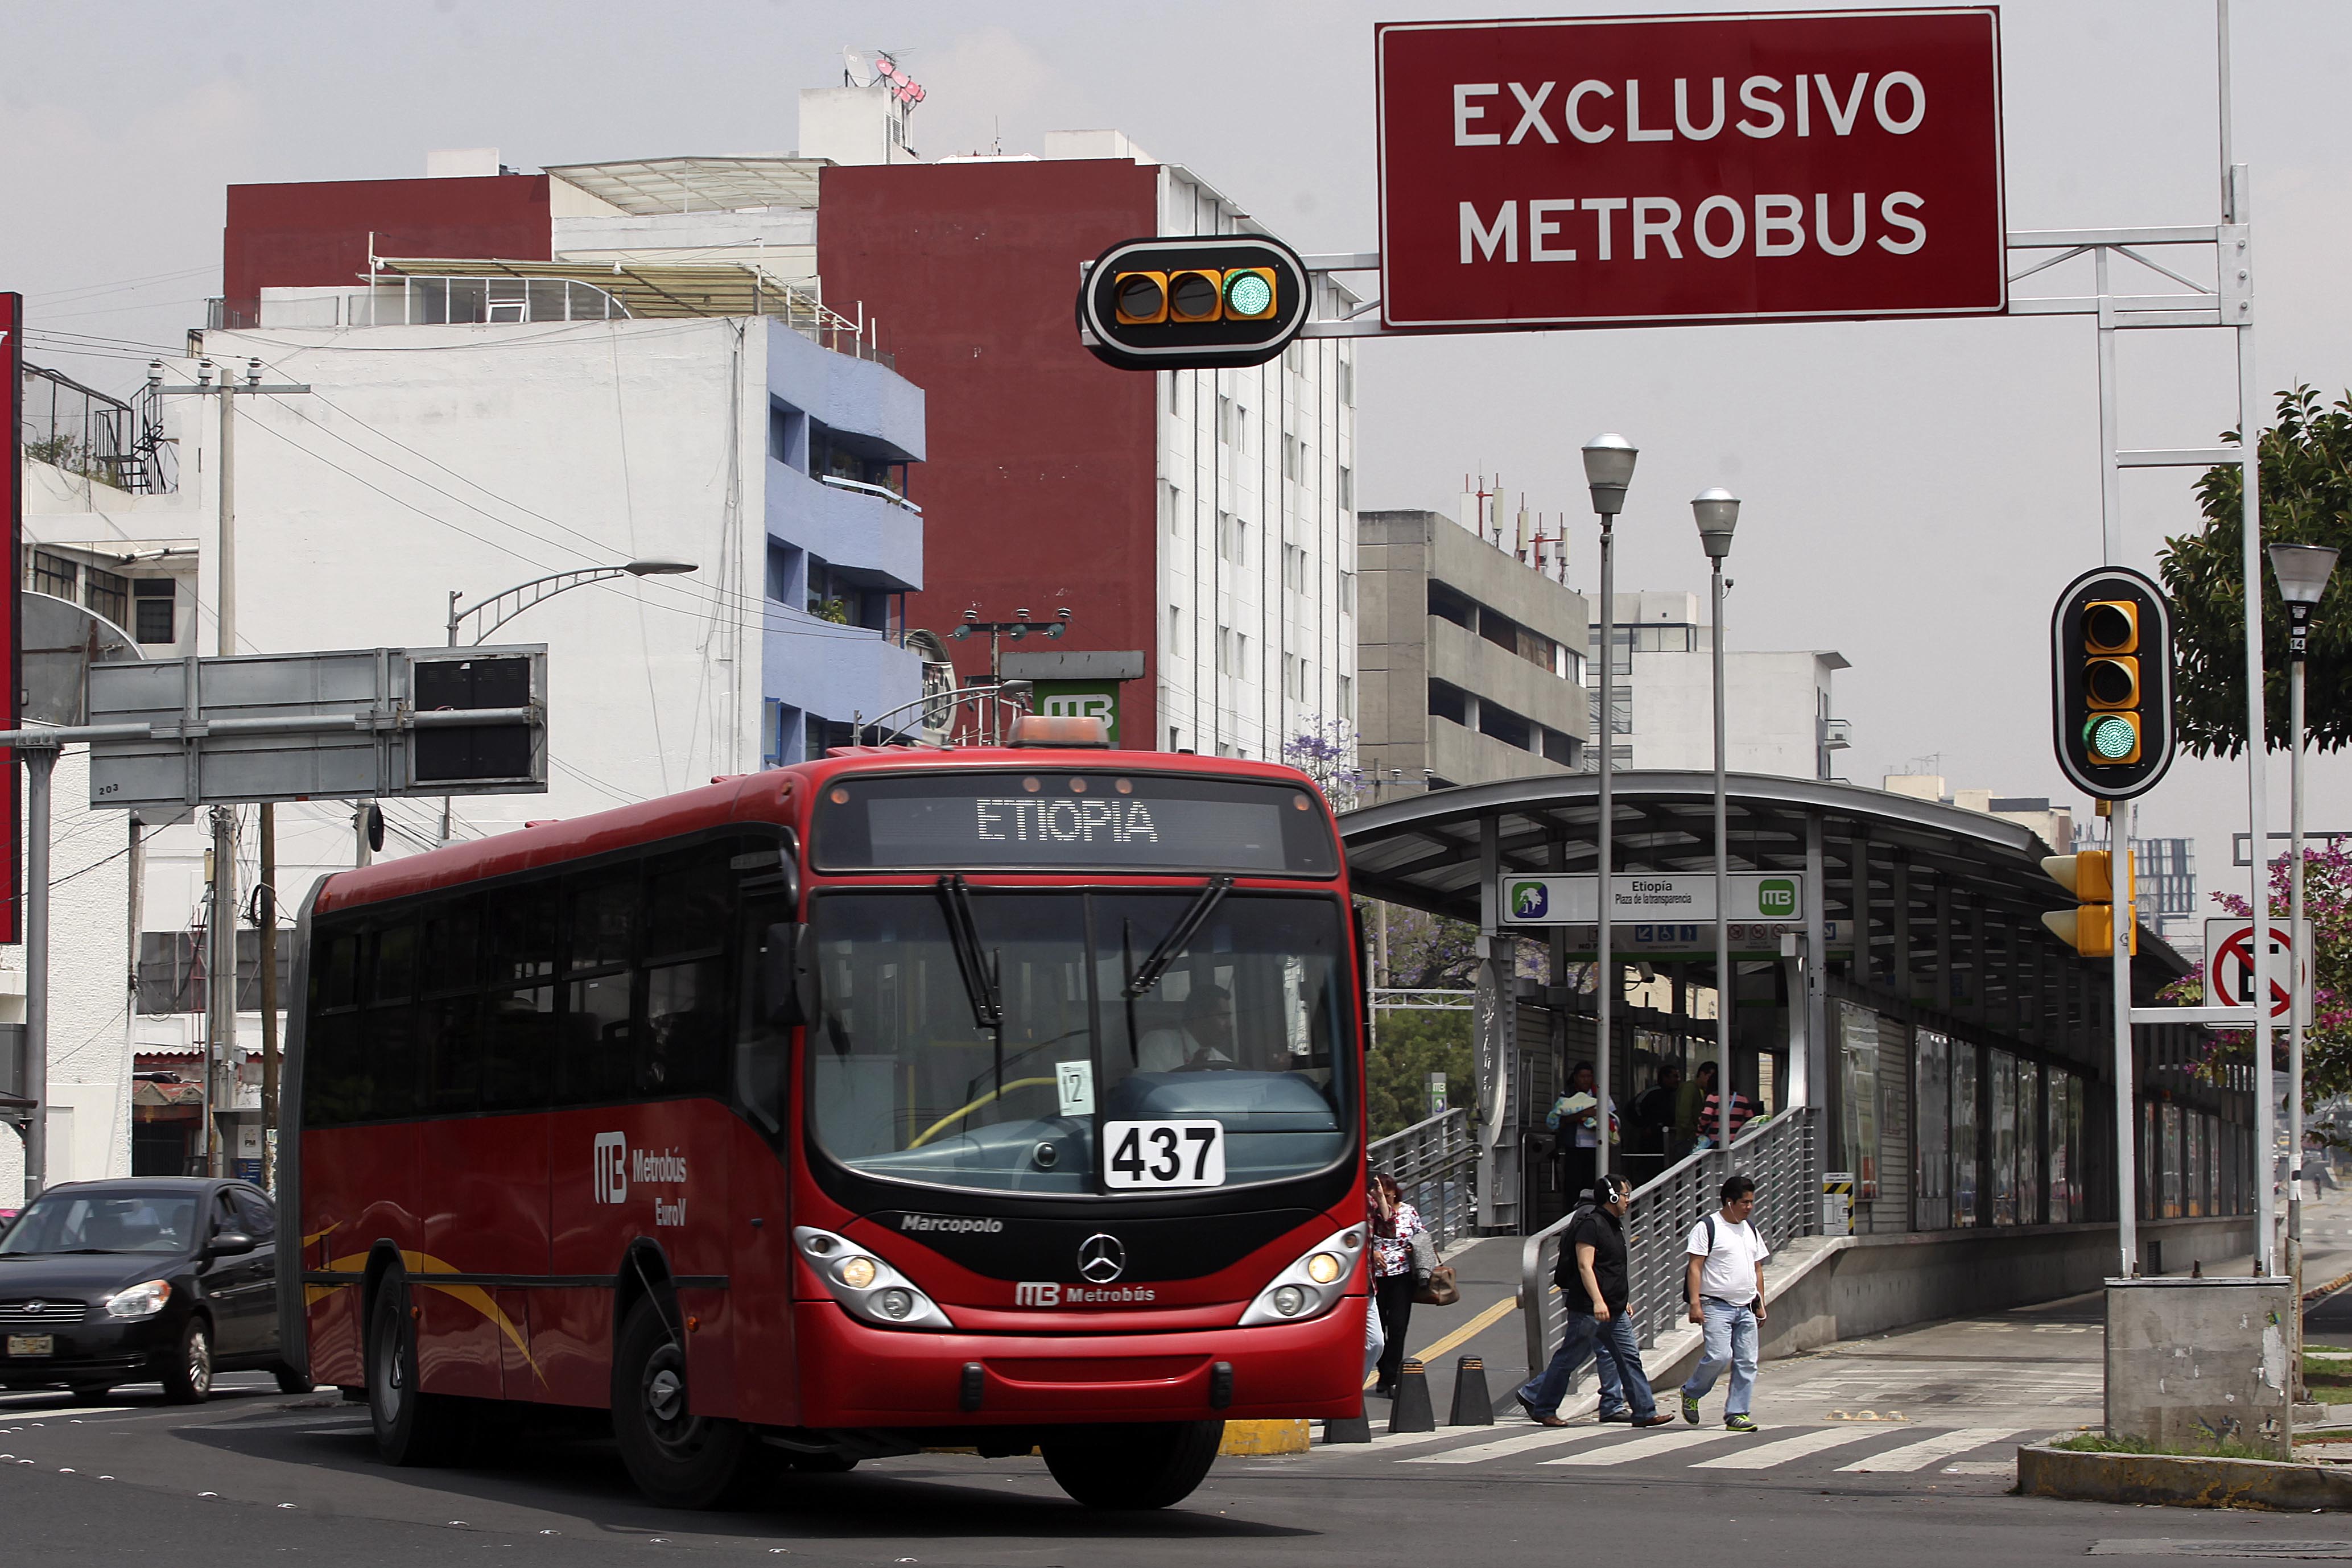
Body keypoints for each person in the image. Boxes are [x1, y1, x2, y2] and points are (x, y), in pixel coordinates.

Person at [1513, 1174, 1675, 1428]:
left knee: (1629, 1358)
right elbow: (1585, 1266)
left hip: (1615, 1309)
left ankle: (1645, 1411)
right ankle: (1543, 1407)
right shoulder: (1592, 1225)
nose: (1627, 1201)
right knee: (1569, 1359)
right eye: (1624, 1195)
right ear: (1612, 1197)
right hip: (1589, 1309)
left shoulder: (1615, 1225)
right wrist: (1599, 1301)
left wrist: (1622, 1301)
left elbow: (1613, 1269)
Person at [1680, 1173, 1770, 1433]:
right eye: (1745, 1202)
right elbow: (1695, 1267)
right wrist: (1695, 1303)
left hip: (1746, 1306)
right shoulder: (1708, 1227)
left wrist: (1760, 1302)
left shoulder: (1750, 1229)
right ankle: (1692, 1392)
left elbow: (1758, 1269)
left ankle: (1737, 1413)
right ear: (1729, 1202)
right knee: (1720, 1356)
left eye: (1752, 1202)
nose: (1749, 1207)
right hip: (1716, 1305)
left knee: (1747, 1362)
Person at [1367, 1170, 1427, 1397]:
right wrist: (1372, 1252)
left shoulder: (1409, 1212)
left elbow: (1422, 1234)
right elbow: (1364, 1237)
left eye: (1387, 1192)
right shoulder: (1370, 1213)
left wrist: (1414, 1246)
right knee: (1379, 1330)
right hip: (1377, 1277)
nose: (1384, 1196)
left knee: (1398, 1327)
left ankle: (1391, 1376)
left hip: (1402, 1275)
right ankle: (1383, 1370)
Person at [1548, 1061, 1615, 1206]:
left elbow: (1612, 1119)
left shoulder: (1601, 1095)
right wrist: (1583, 1114)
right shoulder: (1567, 1095)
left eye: (1589, 1076)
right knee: (1573, 1187)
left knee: (1594, 1185)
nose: (1586, 1080)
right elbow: (1560, 1119)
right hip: (1574, 1148)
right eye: (1582, 1076)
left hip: (1596, 1148)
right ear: (1576, 1077)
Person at [1136, 981, 1236, 1072]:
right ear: (1199, 1016)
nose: (1229, 1025)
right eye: (1223, 1017)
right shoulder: (1160, 1043)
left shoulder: (1223, 1063)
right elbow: (1148, 1089)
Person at [1631, 1064, 1683, 1158]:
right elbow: (1632, 1108)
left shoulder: (1673, 1095)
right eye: (1675, 1076)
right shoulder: (1652, 1093)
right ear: (1665, 1078)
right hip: (1651, 1139)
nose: (1678, 1080)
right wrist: (1644, 1126)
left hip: (1668, 1137)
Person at [1694, 1079, 1757, 1152]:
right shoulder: (1743, 1098)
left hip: (1716, 1140)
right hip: (1736, 1140)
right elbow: (1750, 1119)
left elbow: (1706, 1117)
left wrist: (1698, 1132)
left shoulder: (1713, 1097)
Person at [1676, 1061, 1715, 1154]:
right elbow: (1684, 1115)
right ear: (1702, 1074)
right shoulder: (1689, 1088)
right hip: (1687, 1138)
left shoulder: (1700, 1091)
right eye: (1709, 1077)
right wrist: (1693, 1132)